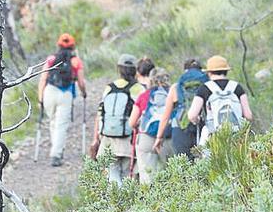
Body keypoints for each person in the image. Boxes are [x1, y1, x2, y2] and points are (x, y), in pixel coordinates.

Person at [90, 54, 143, 185]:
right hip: (128, 140)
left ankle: (114, 201)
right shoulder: (139, 88)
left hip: (108, 138)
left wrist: (96, 138)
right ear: (135, 70)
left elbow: (100, 113)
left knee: (112, 173)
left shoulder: (109, 87)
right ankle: (124, 203)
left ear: (119, 69)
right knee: (126, 176)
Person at [37, 33, 87, 167]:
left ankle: (56, 149)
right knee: (61, 124)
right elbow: (81, 82)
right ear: (73, 46)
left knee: (53, 122)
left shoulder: (51, 59)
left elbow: (43, 78)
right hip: (66, 93)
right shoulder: (76, 61)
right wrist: (84, 93)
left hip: (49, 92)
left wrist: (40, 98)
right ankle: (56, 154)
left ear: (58, 45)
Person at [187, 55, 253, 145]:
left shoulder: (204, 88)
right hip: (237, 137)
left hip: (213, 136)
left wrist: (198, 120)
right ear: (226, 71)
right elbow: (248, 116)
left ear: (209, 72)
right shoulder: (237, 87)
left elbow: (192, 115)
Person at [155, 59, 208, 159]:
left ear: (185, 71)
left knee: (185, 165)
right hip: (202, 126)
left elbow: (166, 116)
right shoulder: (207, 85)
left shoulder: (176, 87)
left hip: (181, 128)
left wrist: (159, 137)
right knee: (204, 164)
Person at [129, 67, 174, 183]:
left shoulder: (144, 96)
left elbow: (132, 122)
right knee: (171, 175)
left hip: (146, 138)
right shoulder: (173, 94)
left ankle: (148, 199)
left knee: (147, 177)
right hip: (167, 138)